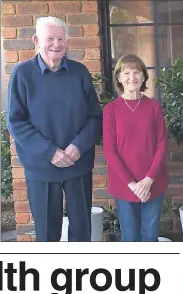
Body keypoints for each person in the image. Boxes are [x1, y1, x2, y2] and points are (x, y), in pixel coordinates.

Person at [7, 16, 101, 241]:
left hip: (77, 163)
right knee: (47, 234)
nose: (56, 44)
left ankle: (81, 274)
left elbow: (95, 116)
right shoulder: (22, 74)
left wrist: (78, 146)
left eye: (61, 39)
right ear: (37, 40)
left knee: (81, 230)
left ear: (67, 42)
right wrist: (50, 152)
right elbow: (16, 122)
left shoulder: (79, 72)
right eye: (50, 38)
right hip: (41, 166)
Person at [103, 54, 169, 241]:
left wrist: (147, 181)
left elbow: (162, 145)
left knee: (150, 236)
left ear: (143, 77)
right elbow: (110, 151)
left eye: (136, 72)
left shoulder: (154, 107)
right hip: (124, 185)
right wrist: (133, 185)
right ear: (119, 78)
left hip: (153, 183)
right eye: (126, 73)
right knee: (130, 237)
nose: (132, 77)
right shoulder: (111, 110)